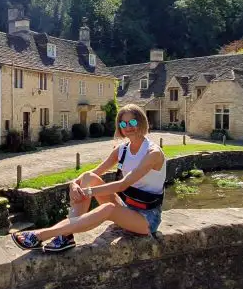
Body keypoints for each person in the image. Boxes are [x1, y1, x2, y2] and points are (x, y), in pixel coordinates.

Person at [11, 104, 167, 253]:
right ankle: (66, 237)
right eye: (123, 123)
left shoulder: (152, 153)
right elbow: (96, 172)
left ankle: (39, 235)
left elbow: (123, 185)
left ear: (141, 122)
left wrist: (89, 191)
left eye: (132, 122)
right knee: (88, 177)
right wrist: (74, 184)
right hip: (126, 208)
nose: (128, 127)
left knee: (108, 209)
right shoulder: (123, 149)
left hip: (146, 218)